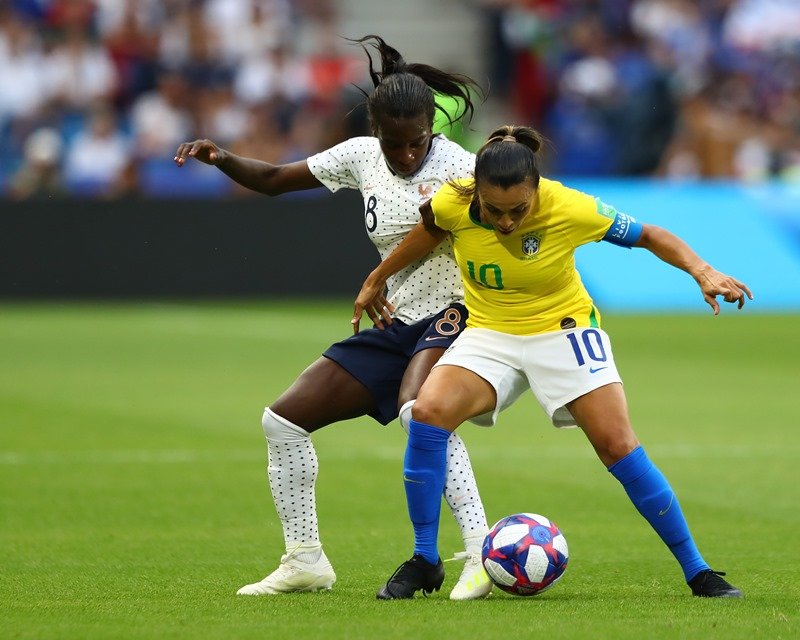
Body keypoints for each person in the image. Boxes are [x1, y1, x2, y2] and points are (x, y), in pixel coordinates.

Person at [354, 125, 753, 600]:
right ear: (476, 191)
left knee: (617, 444)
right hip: (489, 332)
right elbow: (430, 231)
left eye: (518, 210)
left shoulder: (571, 207)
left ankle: (699, 571)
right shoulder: (452, 202)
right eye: (493, 210)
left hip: (563, 331)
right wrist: (379, 276)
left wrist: (701, 270)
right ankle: (424, 559)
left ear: (537, 190)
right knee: (427, 414)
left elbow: (650, 235)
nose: (505, 222)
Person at [173, 35, 493, 601]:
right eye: (394, 144)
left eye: (416, 142)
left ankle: (479, 554)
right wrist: (223, 158)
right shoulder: (359, 155)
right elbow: (273, 180)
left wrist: (374, 278)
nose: (406, 155)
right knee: (283, 421)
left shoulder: (461, 169)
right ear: (377, 133)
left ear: (431, 128)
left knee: (422, 416)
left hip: (455, 312)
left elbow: (444, 229)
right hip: (396, 321)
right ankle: (305, 560)